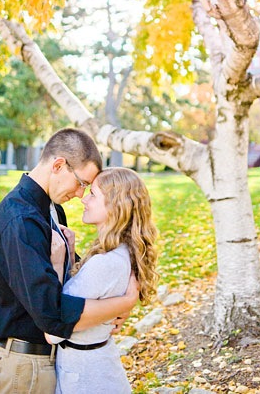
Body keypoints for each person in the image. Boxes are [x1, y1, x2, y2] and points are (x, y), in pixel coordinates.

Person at [0, 128, 140, 394]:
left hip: (48, 362)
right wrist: (122, 303)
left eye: (87, 188)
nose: (81, 194)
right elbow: (52, 315)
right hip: (22, 369)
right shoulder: (20, 219)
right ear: (58, 165)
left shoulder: (52, 210)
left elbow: (72, 284)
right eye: (81, 182)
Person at [47, 167, 159, 393]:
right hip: (96, 367)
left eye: (93, 194)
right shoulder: (122, 252)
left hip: (87, 378)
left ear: (116, 205)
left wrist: (58, 265)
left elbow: (53, 331)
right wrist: (70, 253)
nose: (84, 200)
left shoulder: (105, 263)